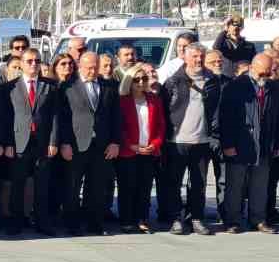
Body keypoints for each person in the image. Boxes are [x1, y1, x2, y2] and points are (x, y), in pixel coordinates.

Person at [218, 53, 279, 233]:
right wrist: (228, 144)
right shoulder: (235, 86)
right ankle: (233, 220)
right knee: (235, 186)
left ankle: (258, 219)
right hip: (240, 143)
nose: (266, 76)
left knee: (260, 185)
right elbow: (225, 117)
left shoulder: (274, 87)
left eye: (269, 72)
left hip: (264, 143)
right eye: (263, 72)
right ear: (252, 67)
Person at [0, 48, 60, 236]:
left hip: (42, 142)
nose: (34, 64)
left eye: (37, 61)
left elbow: (55, 116)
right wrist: (8, 143)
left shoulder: (50, 86)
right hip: (19, 142)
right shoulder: (10, 88)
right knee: (18, 184)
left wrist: (54, 141)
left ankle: (42, 222)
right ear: (22, 64)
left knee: (42, 185)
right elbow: (6, 118)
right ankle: (16, 222)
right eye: (29, 61)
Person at [159, 42, 220, 235]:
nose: (198, 60)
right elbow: (164, 109)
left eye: (201, 56)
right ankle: (175, 219)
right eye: (194, 56)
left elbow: (217, 110)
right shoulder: (173, 81)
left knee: (198, 184)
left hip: (202, 141)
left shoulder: (213, 81)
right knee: (174, 183)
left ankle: (196, 218)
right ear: (185, 57)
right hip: (177, 141)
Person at [57, 52, 121, 235]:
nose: (93, 71)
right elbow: (62, 118)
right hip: (76, 144)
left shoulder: (109, 86)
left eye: (95, 67)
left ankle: (95, 223)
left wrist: (115, 142)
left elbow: (116, 116)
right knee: (72, 186)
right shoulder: (67, 86)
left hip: (101, 145)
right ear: (80, 66)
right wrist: (64, 143)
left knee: (97, 186)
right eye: (89, 68)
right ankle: (72, 224)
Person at [116, 65, 165, 233]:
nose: (141, 82)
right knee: (127, 187)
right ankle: (126, 220)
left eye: (144, 79)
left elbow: (160, 126)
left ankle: (142, 219)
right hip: (128, 151)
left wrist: (155, 144)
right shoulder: (122, 101)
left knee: (144, 187)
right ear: (129, 81)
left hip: (148, 151)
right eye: (136, 80)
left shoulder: (154, 100)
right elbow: (119, 127)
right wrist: (130, 145)